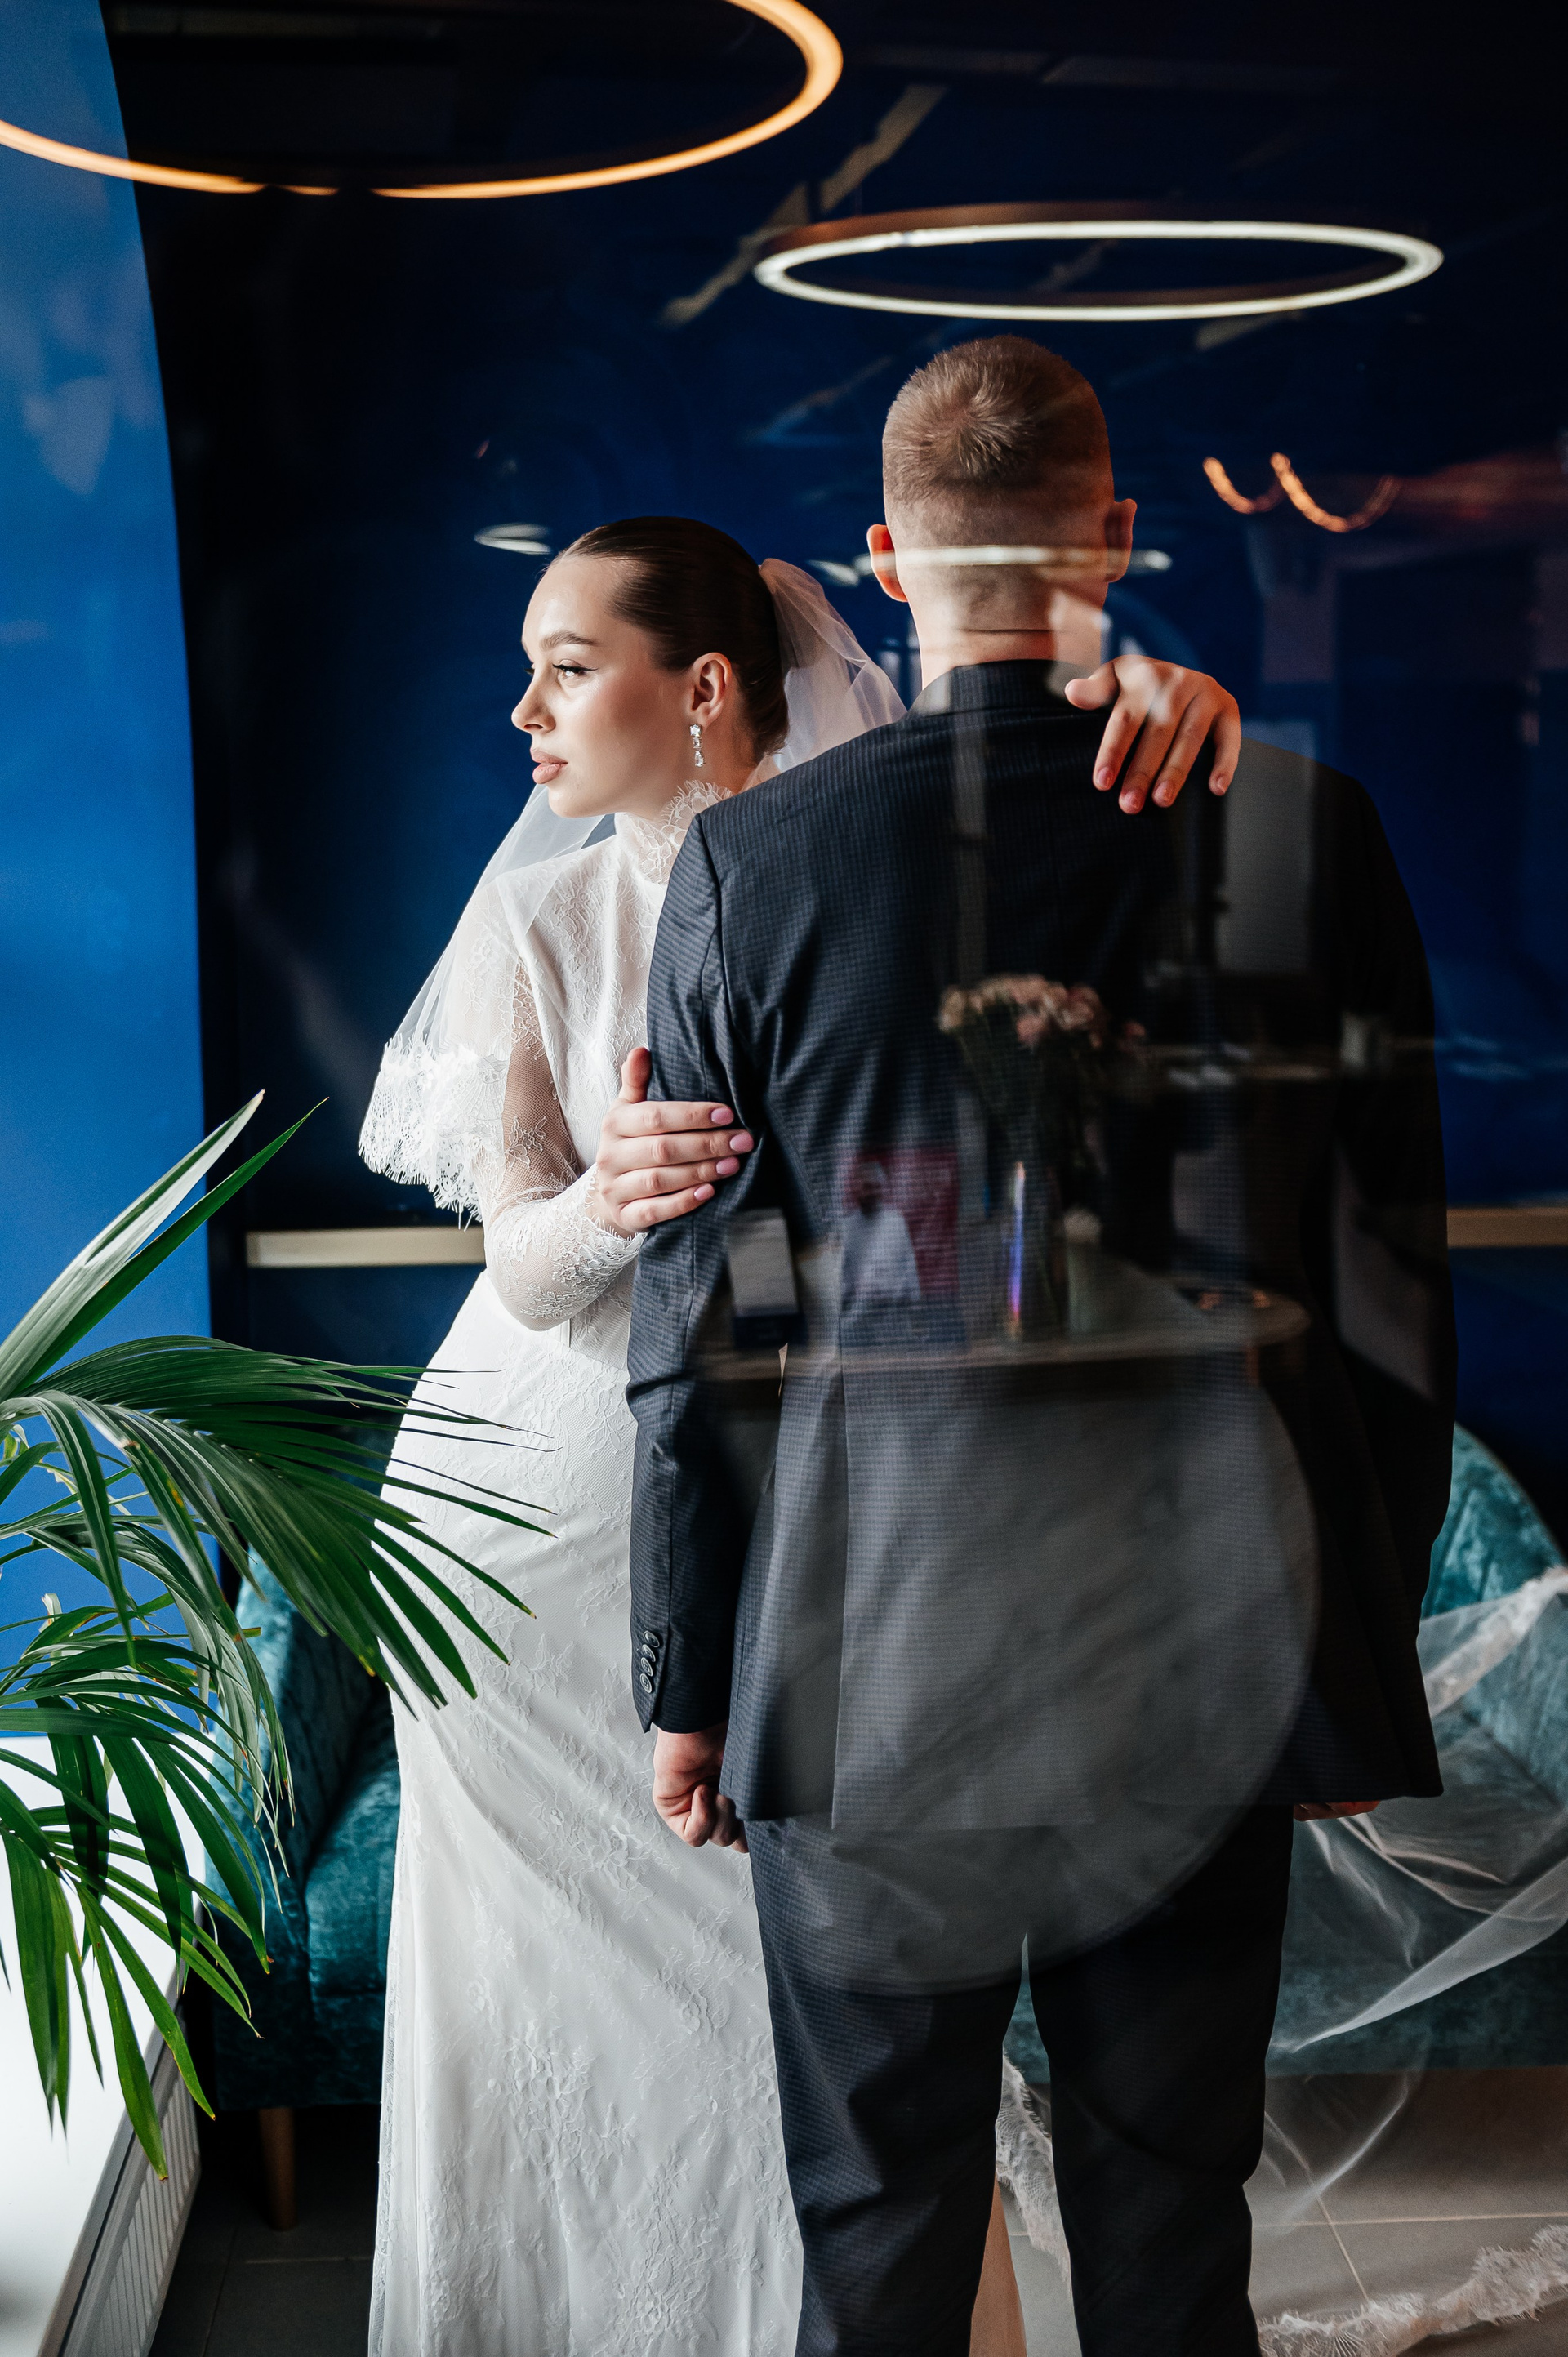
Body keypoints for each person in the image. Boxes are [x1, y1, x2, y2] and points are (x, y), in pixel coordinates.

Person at [626, 338, 1454, 2357]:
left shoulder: (748, 866)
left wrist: (688, 1672)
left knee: (876, 2226)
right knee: (1170, 2226)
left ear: (884, 557)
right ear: (1116, 536)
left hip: (860, 1649)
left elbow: (710, 1316)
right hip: (1199, 1641)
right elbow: (1385, 1290)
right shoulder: (1298, 831)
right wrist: (1342, 1660)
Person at [357, 501, 1244, 2353]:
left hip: (814, 1525)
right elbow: (521, 1257)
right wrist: (610, 1199)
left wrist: (1167, 694)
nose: (523, 714)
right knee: (583, 2000)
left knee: (832, 2035)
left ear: (701, 689)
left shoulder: (869, 850)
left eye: (565, 669)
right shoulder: (541, 913)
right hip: (531, 1521)